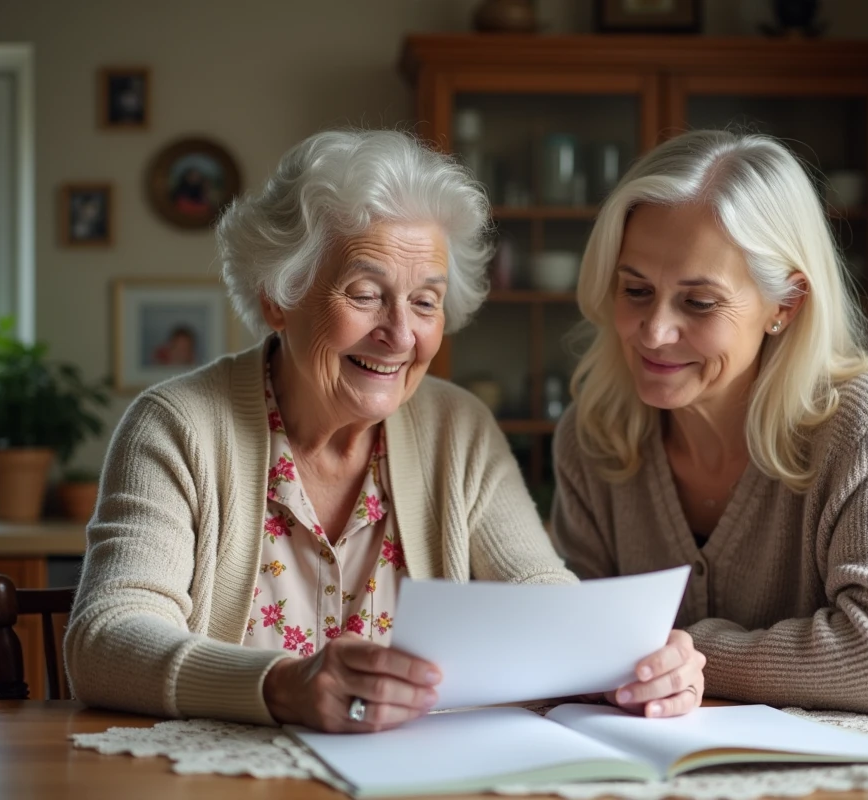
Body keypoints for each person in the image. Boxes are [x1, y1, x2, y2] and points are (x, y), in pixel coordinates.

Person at [65, 130, 703, 733]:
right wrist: (282, 686)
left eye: (426, 302)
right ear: (277, 297)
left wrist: (630, 662)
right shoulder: (177, 427)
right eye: (366, 293)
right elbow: (107, 637)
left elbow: (537, 592)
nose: (400, 335)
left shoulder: (458, 429)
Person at [552, 129, 868, 715]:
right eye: (636, 289)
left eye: (698, 302)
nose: (653, 332)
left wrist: (688, 656)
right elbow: (575, 640)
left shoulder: (866, 420)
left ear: (785, 304)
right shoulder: (594, 433)